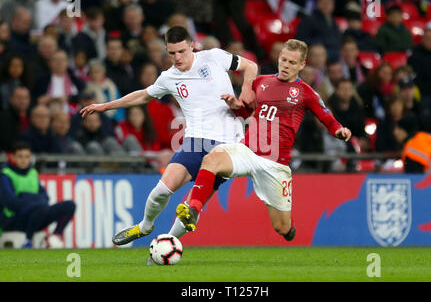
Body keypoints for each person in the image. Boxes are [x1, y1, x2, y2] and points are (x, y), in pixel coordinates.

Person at [79, 26, 258, 245]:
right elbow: (143, 96)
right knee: (161, 191)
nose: (177, 57)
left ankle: (167, 243)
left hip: (227, 146)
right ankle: (145, 226)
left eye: (182, 51)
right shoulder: (168, 77)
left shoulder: (214, 57)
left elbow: (251, 66)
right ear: (166, 50)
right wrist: (105, 106)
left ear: (192, 46)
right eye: (172, 53)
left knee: (192, 207)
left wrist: (247, 91)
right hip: (195, 142)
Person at [173, 39, 352, 241]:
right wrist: (234, 105)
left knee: (281, 227)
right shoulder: (261, 82)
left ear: (302, 65)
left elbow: (325, 115)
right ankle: (192, 209)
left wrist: (339, 129)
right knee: (212, 158)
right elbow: (246, 110)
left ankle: (288, 229)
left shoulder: (306, 93)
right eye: (283, 59)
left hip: (275, 163)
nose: (286, 65)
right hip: (248, 151)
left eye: (292, 63)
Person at [0, 141, 76, 248]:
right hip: (13, 220)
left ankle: (55, 236)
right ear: (13, 157)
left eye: (27, 157)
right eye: (20, 156)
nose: (24, 160)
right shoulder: (6, 174)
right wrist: (33, 203)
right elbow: (10, 202)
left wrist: (26, 198)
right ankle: (28, 240)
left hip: (36, 215)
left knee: (69, 205)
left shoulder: (32, 173)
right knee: (39, 206)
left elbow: (45, 197)